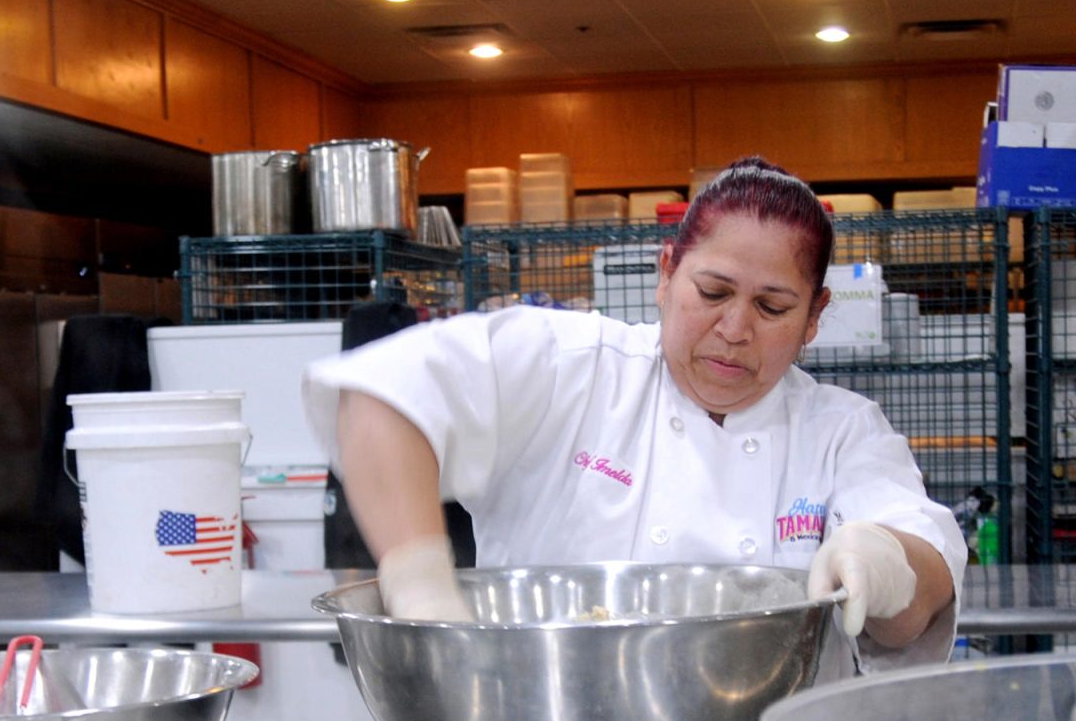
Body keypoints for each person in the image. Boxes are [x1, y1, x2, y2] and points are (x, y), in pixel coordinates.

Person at [302, 156, 964, 675]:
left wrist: (885, 565)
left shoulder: (841, 431)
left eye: (772, 308)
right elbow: (379, 398)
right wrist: (420, 589)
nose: (734, 329)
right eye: (712, 292)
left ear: (816, 316)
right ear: (666, 271)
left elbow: (920, 596)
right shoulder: (573, 367)